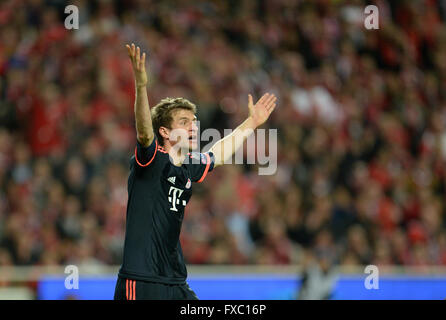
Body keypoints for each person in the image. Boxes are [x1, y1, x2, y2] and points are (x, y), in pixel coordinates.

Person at [114, 43, 277, 300]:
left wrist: (252, 122)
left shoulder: (188, 165)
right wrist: (142, 86)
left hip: (174, 280)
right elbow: (144, 131)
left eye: (194, 122)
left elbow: (219, 154)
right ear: (165, 132)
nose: (193, 127)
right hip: (141, 280)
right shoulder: (153, 159)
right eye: (184, 122)